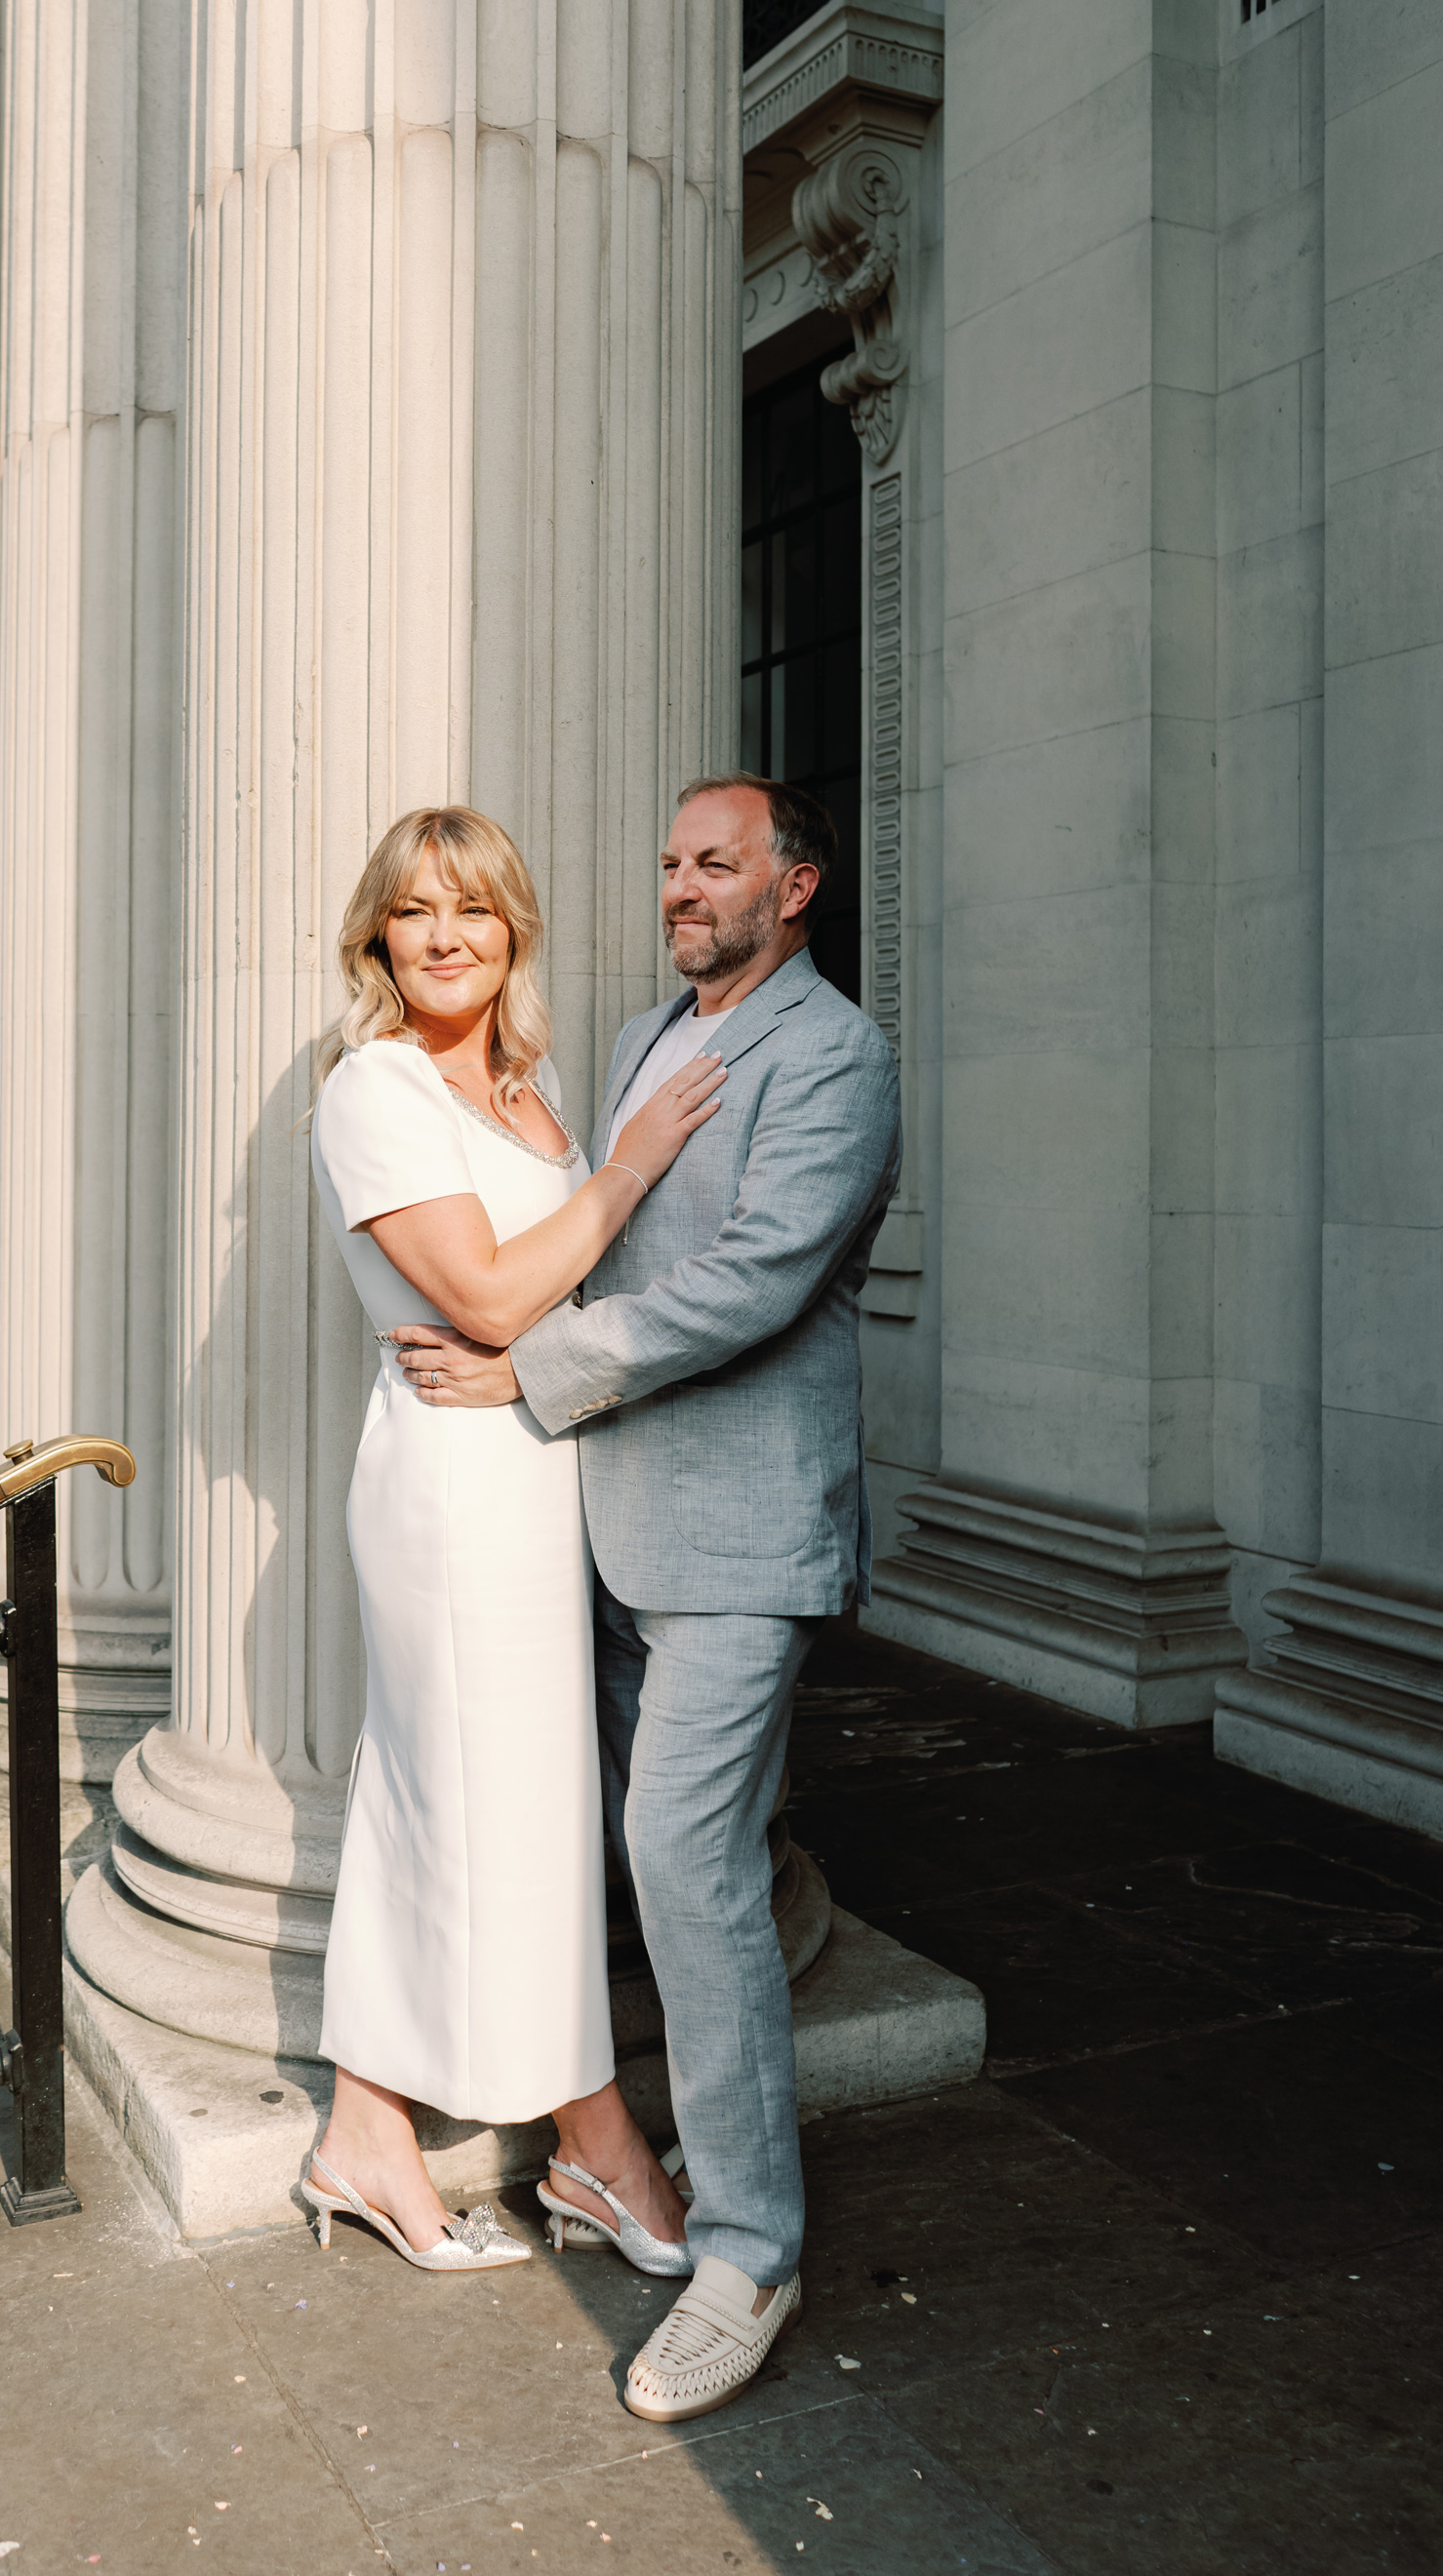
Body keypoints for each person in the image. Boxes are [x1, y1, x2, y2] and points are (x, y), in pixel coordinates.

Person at [393, 773, 902, 2416]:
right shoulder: (634, 1042)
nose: (681, 887)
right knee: (677, 1860)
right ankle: (668, 2143)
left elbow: (755, 1281)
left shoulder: (835, 1057)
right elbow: (593, 1234)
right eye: (670, 861)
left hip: (745, 1535)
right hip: (605, 1525)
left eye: (717, 864)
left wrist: (521, 1370)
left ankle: (752, 2248)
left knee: (682, 1855)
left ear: (797, 884)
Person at [301, 806, 725, 2275]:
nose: (444, 935)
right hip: (451, 1490)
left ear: (512, 930)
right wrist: (632, 1168)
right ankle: (598, 2150)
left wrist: (590, 1196)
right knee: (507, 1811)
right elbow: (487, 1299)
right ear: (379, 937)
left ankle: (364, 2130)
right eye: (413, 911)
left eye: (472, 910)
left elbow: (563, 1315)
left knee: (453, 1801)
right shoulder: (377, 1089)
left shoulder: (533, 1097)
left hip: (540, 1474)